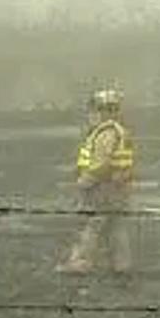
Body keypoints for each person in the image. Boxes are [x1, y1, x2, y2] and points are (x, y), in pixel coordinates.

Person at [58, 87, 135, 276]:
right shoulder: (118, 131)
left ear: (104, 111)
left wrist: (85, 180)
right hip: (118, 187)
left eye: (95, 110)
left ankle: (81, 262)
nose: (91, 114)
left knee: (92, 225)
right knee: (116, 226)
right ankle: (121, 264)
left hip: (104, 187)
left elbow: (102, 163)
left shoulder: (105, 133)